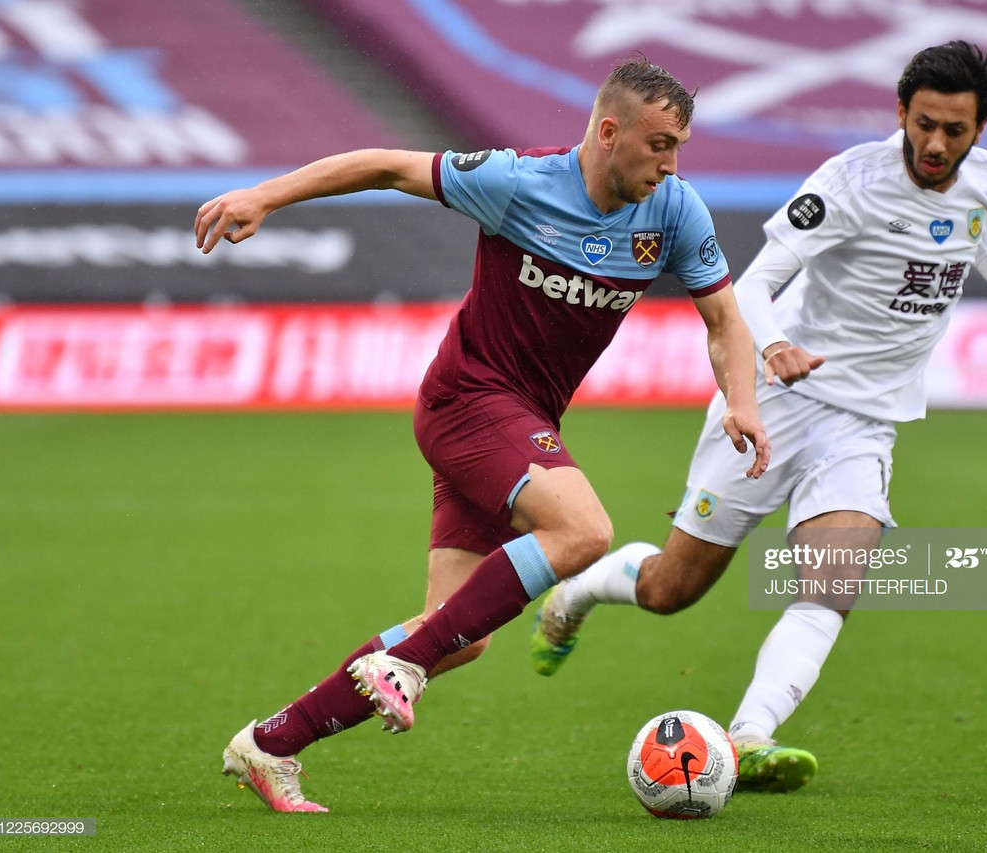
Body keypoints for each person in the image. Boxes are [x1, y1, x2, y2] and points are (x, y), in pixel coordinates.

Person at [196, 57, 770, 813]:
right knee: (584, 529)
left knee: (460, 634)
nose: (671, 163)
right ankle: (403, 665)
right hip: (468, 400)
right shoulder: (518, 182)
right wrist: (265, 194)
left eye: (679, 147)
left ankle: (270, 743)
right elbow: (387, 166)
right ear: (609, 132)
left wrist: (743, 399)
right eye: (660, 144)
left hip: (522, 422)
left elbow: (726, 321)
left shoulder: (673, 212)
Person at [531, 41, 987, 793]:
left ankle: (748, 735)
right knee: (673, 588)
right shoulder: (847, 184)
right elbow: (751, 285)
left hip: (865, 421)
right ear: (901, 113)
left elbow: (978, 220)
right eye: (926, 124)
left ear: (980, 132)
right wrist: (773, 348)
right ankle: (579, 591)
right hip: (776, 400)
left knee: (830, 583)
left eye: (957, 131)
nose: (938, 144)